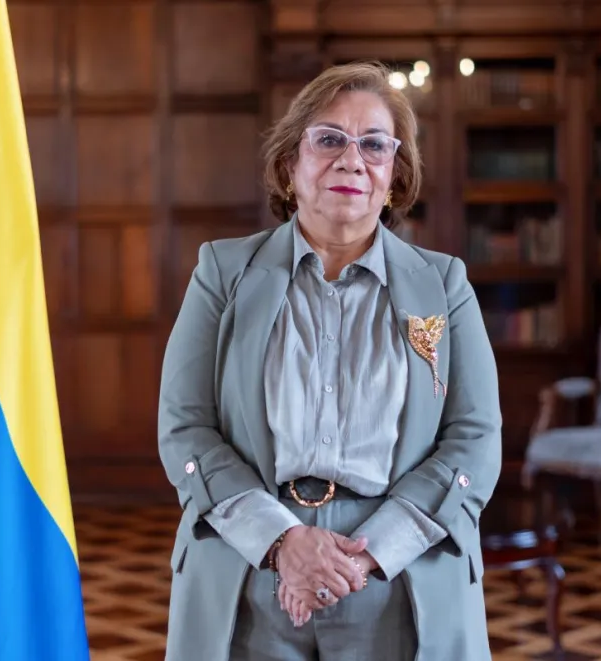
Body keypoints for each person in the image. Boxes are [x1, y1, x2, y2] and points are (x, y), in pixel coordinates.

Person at [158, 61, 502, 661]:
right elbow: (186, 428)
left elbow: (474, 440)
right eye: (329, 140)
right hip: (250, 572)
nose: (352, 160)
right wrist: (285, 542)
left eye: (374, 144)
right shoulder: (222, 272)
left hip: (399, 580)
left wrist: (366, 552)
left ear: (394, 176)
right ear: (291, 165)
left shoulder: (444, 285)